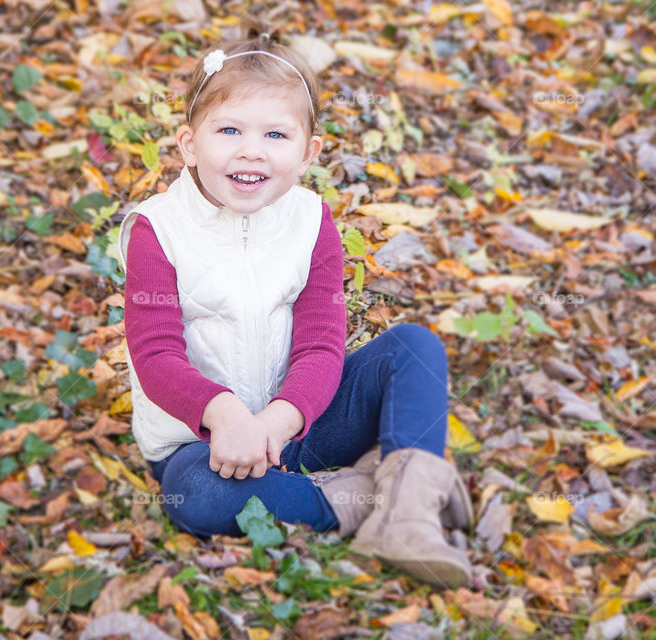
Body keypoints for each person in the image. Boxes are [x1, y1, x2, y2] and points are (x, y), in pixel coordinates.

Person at [118, 18, 475, 588]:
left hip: (301, 419)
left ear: (308, 153)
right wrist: (226, 415)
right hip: (205, 442)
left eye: (275, 136)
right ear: (189, 143)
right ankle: (354, 500)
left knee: (414, 347)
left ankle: (407, 516)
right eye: (229, 130)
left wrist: (280, 421)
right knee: (198, 498)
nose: (251, 152)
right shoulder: (157, 230)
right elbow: (155, 354)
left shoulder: (311, 222)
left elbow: (321, 344)